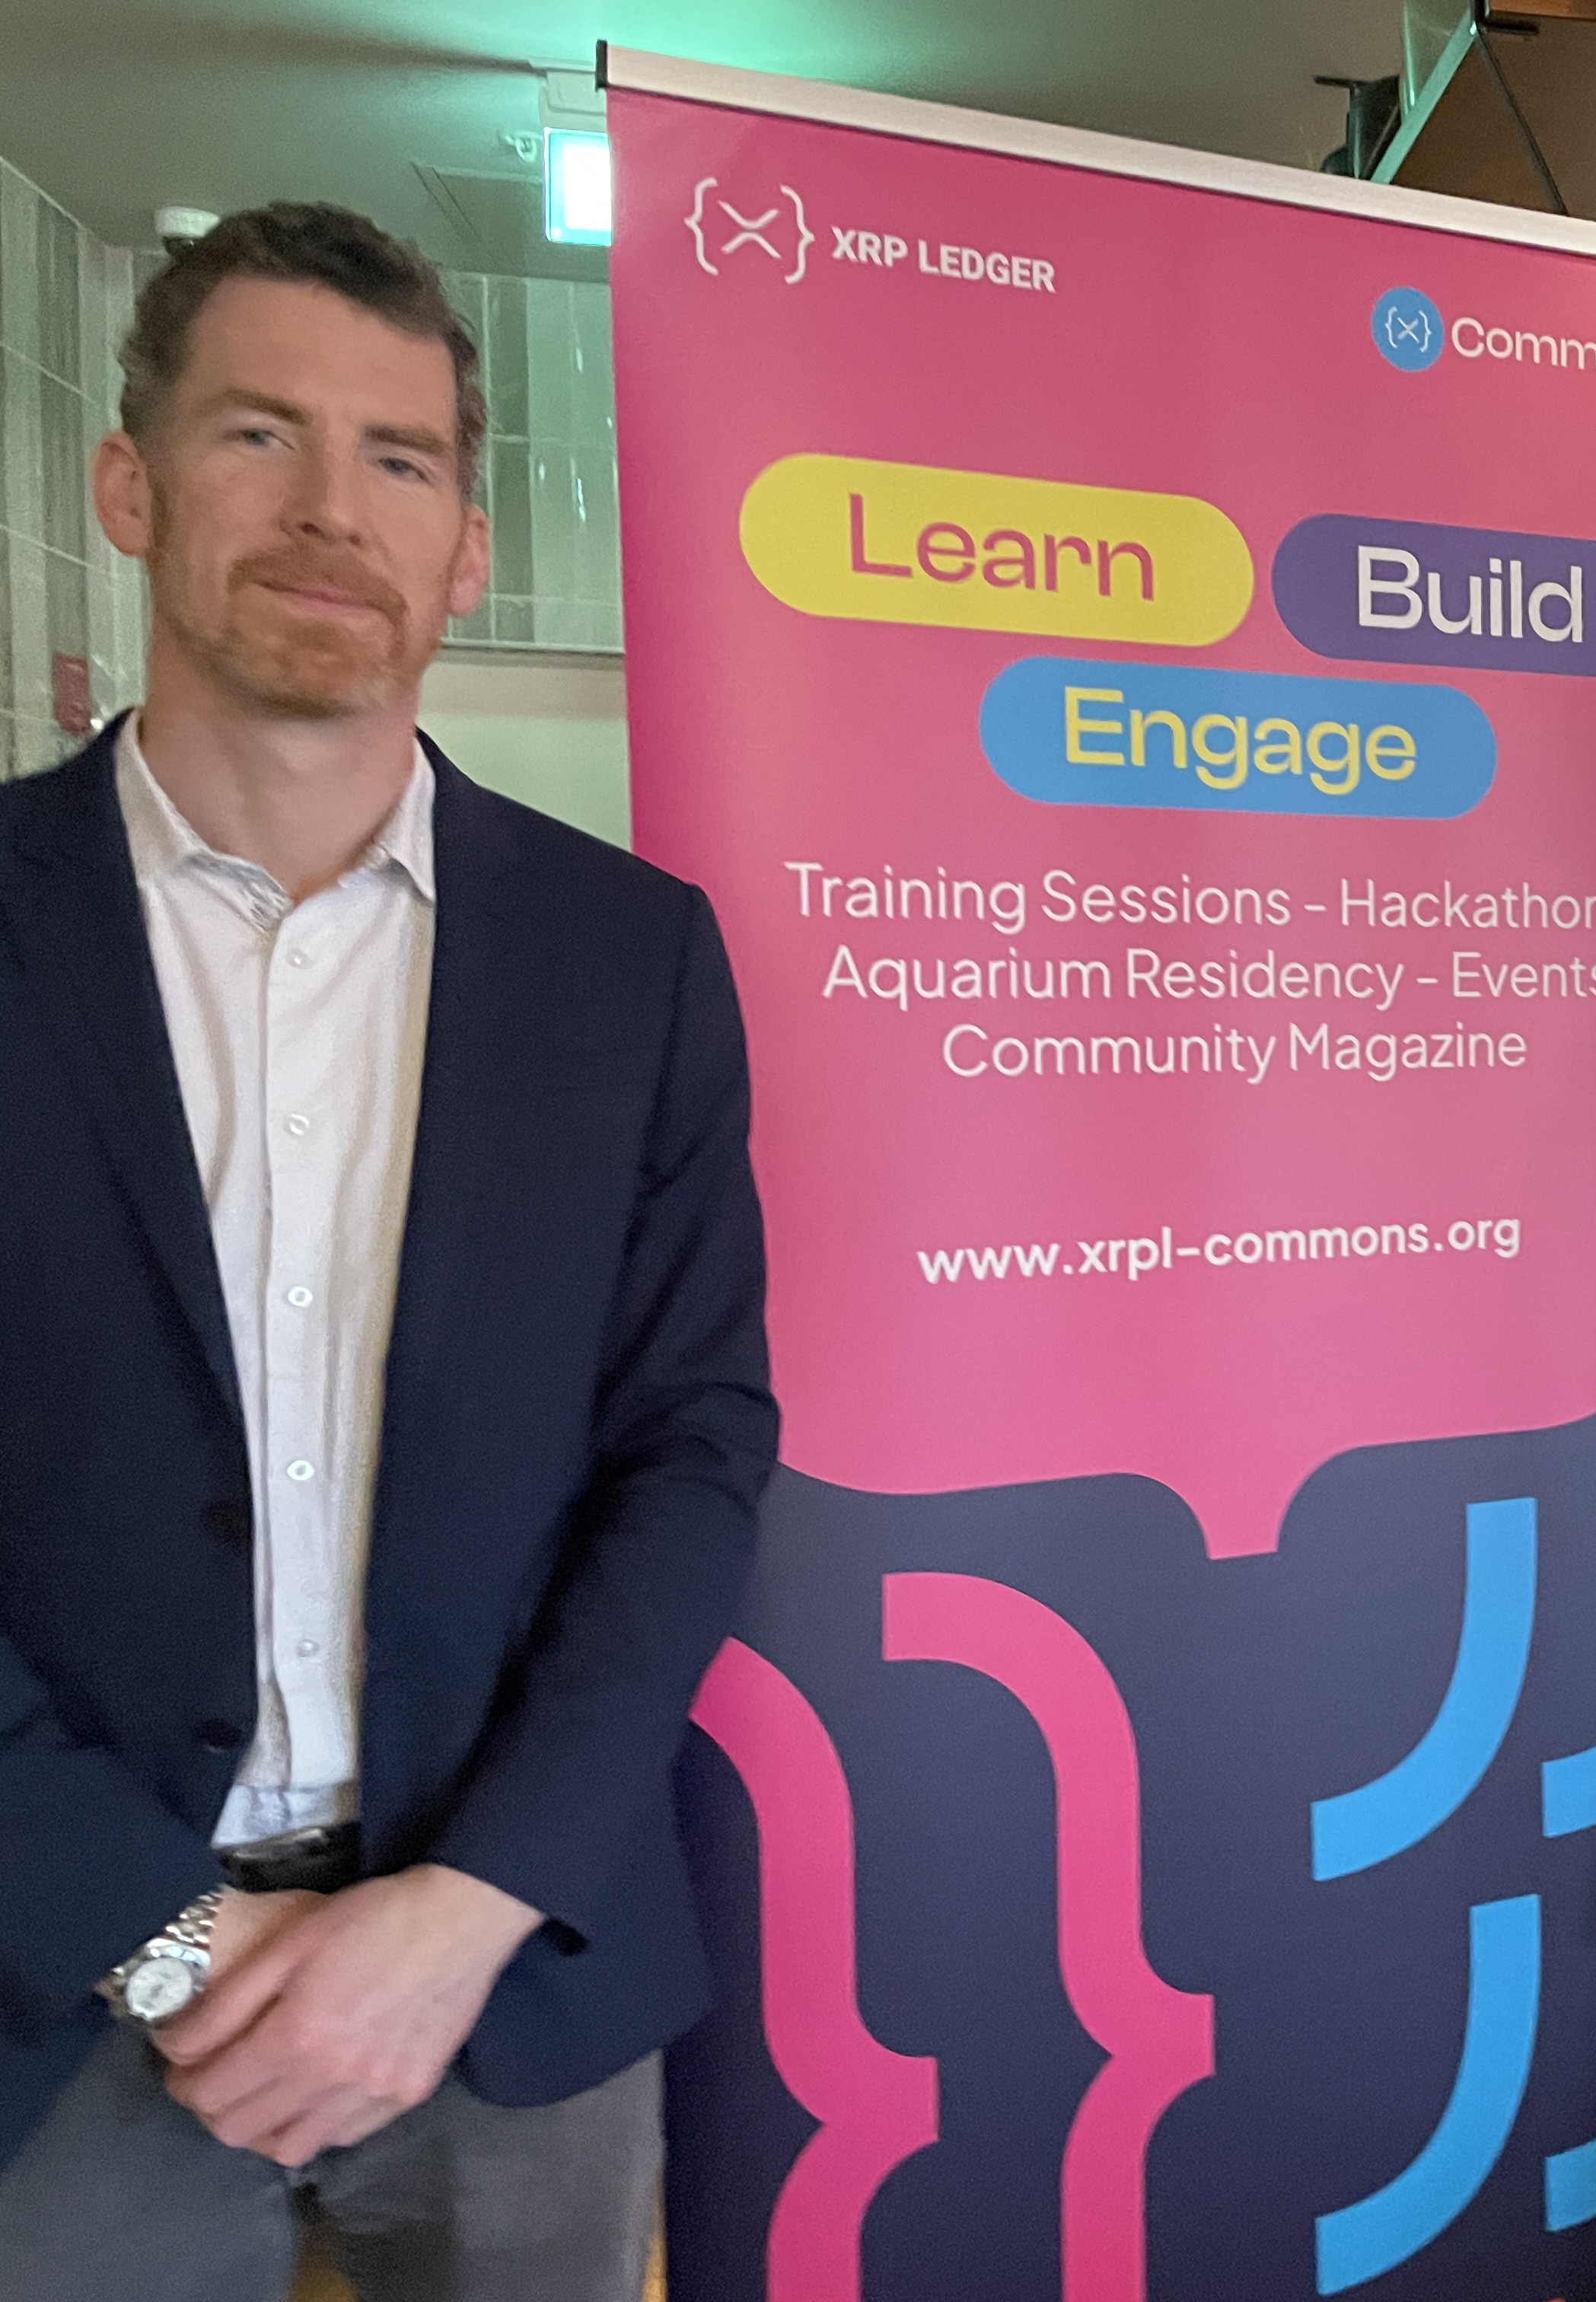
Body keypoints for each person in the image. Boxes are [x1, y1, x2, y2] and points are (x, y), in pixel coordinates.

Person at [0, 204, 776, 2299]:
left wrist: (471, 1904)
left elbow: (693, 1446)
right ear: (132, 485)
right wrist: (161, 1933)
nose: (333, 509)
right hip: (55, 1984)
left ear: (466, 547)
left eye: (400, 457)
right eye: (261, 433)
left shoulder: (631, 961)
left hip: (509, 1970)